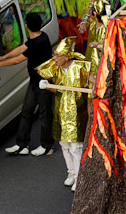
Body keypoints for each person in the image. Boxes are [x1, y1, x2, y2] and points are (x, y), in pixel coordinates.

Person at [0, 13, 54, 156]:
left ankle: (47, 146)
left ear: (27, 26)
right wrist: (4, 56)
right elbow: (22, 47)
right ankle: (22, 145)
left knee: (44, 115)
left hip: (44, 84)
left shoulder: (39, 43)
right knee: (26, 112)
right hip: (34, 82)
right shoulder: (40, 36)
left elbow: (18, 60)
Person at [37, 37, 92, 191]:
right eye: (54, 54)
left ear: (66, 56)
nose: (54, 58)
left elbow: (93, 83)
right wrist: (48, 86)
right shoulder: (57, 69)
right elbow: (59, 89)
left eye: (57, 55)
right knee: (64, 145)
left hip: (77, 114)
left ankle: (80, 178)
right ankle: (72, 173)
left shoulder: (82, 67)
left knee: (76, 147)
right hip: (61, 111)